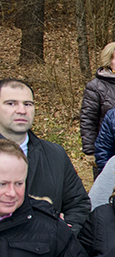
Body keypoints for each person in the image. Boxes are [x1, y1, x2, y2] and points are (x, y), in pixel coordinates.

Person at [0, 79, 90, 228]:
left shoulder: (55, 154)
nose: (22, 110)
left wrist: (62, 234)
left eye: (28, 104)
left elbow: (79, 204)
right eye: (11, 103)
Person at [81, 41, 115, 174]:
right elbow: (88, 120)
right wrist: (90, 151)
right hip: (107, 150)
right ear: (109, 61)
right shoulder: (96, 86)